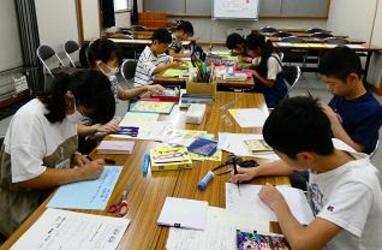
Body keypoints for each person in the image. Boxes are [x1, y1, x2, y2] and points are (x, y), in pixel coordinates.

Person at [231, 97, 382, 250]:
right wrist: (255, 171)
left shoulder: (357, 186)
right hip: (314, 226)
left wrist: (277, 203)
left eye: (280, 155)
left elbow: (302, 245)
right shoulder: (329, 149)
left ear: (305, 156)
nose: (280, 159)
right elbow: (291, 165)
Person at [0, 71, 115, 237]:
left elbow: (60, 142)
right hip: (25, 205)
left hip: (56, 193)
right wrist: (80, 173)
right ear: (70, 98)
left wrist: (75, 155)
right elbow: (27, 177)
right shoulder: (31, 118)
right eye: (86, 115)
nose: (84, 121)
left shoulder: (65, 111)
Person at [319, 47, 382, 154]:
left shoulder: (373, 110)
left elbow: (355, 150)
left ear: (352, 78)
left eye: (332, 84)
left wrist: (332, 119)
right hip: (328, 143)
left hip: (348, 158)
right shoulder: (342, 93)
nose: (329, 88)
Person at [245, 33, 288, 108]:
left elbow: (270, 84)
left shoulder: (271, 60)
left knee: (248, 95)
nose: (248, 53)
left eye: (250, 50)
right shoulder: (262, 56)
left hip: (275, 93)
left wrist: (256, 74)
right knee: (246, 91)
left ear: (258, 49)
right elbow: (254, 65)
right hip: (267, 88)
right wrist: (244, 67)